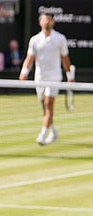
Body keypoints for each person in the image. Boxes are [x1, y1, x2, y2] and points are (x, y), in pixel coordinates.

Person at [19, 13, 75, 146]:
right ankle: (54, 131)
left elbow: (65, 58)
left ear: (53, 22)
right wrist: (24, 73)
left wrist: (70, 77)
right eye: (45, 20)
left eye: (49, 20)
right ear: (40, 23)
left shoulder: (60, 38)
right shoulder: (34, 40)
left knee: (49, 104)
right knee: (45, 107)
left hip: (54, 77)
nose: (47, 22)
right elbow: (30, 58)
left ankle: (42, 135)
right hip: (40, 78)